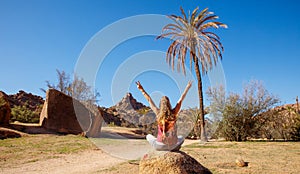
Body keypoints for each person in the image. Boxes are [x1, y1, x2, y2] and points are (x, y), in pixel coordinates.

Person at [136, 81, 192, 151]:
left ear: (160, 104)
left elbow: (149, 100)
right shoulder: (174, 113)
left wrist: (141, 89)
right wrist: (187, 88)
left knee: (148, 136)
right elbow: (181, 99)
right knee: (182, 137)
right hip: (173, 146)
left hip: (160, 146)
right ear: (169, 103)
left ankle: (160, 143)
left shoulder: (158, 113)